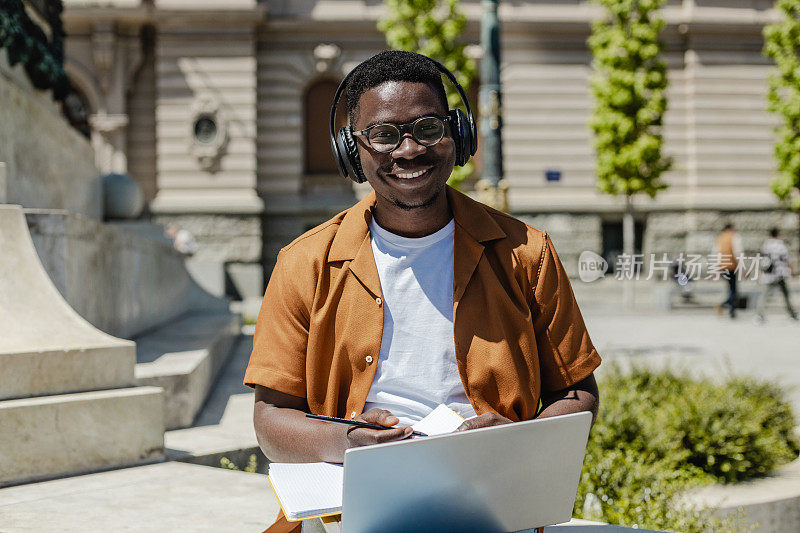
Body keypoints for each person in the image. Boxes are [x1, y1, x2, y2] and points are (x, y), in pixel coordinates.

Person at [244, 50, 600, 531]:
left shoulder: (526, 253)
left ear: (458, 133)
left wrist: (519, 437)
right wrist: (351, 443)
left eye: (428, 128)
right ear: (353, 150)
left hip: (493, 501)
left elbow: (577, 391)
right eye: (384, 135)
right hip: (351, 506)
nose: (409, 150)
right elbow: (271, 419)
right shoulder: (304, 263)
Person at [754, 227, 798, 323]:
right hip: (780, 273)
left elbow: (762, 260)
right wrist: (793, 270)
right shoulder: (781, 245)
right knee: (786, 294)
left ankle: (759, 315)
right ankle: (792, 314)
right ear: (778, 234)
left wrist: (760, 273)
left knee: (765, 295)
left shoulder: (766, 245)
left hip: (769, 274)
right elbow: (787, 259)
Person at [714, 222, 742, 318]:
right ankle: (729, 308)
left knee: (730, 288)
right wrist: (742, 267)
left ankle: (730, 308)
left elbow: (716, 253)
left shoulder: (720, 238)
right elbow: (737, 253)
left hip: (722, 266)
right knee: (733, 289)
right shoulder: (734, 237)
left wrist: (716, 269)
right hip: (732, 266)